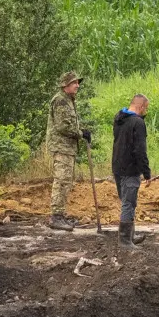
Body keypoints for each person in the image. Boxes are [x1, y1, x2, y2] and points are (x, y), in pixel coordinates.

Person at [46, 71, 91, 230]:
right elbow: (63, 126)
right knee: (62, 180)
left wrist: (81, 131)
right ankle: (56, 216)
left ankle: (61, 214)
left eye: (77, 82)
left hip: (67, 147)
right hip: (61, 146)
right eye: (74, 83)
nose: (77, 85)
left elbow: (68, 123)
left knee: (66, 181)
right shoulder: (60, 101)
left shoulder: (68, 100)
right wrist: (80, 134)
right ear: (66, 85)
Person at [112, 94, 152, 249]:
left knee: (126, 201)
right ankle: (124, 241)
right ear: (141, 107)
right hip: (130, 168)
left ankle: (130, 236)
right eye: (145, 108)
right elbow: (140, 150)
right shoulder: (138, 123)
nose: (145, 111)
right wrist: (146, 172)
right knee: (129, 203)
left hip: (117, 166)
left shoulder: (119, 119)